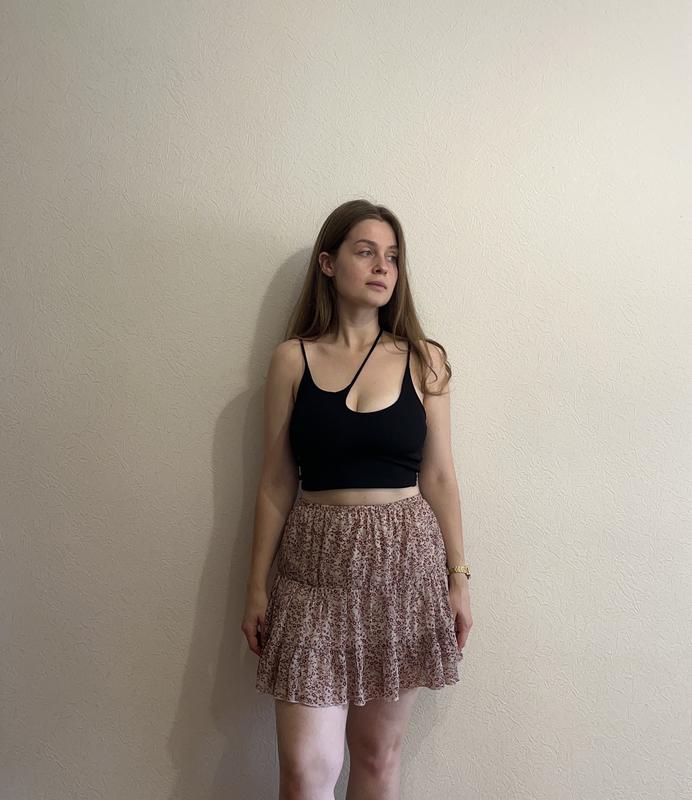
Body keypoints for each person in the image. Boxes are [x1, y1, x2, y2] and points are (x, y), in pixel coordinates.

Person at [241, 199, 473, 799]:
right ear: (328, 262)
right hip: (311, 575)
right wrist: (257, 585)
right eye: (365, 252)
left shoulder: (425, 359)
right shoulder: (292, 359)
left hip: (404, 573)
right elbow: (275, 481)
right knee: (305, 770)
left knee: (376, 759)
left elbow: (440, 477)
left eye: (392, 257)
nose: (381, 267)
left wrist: (458, 578)